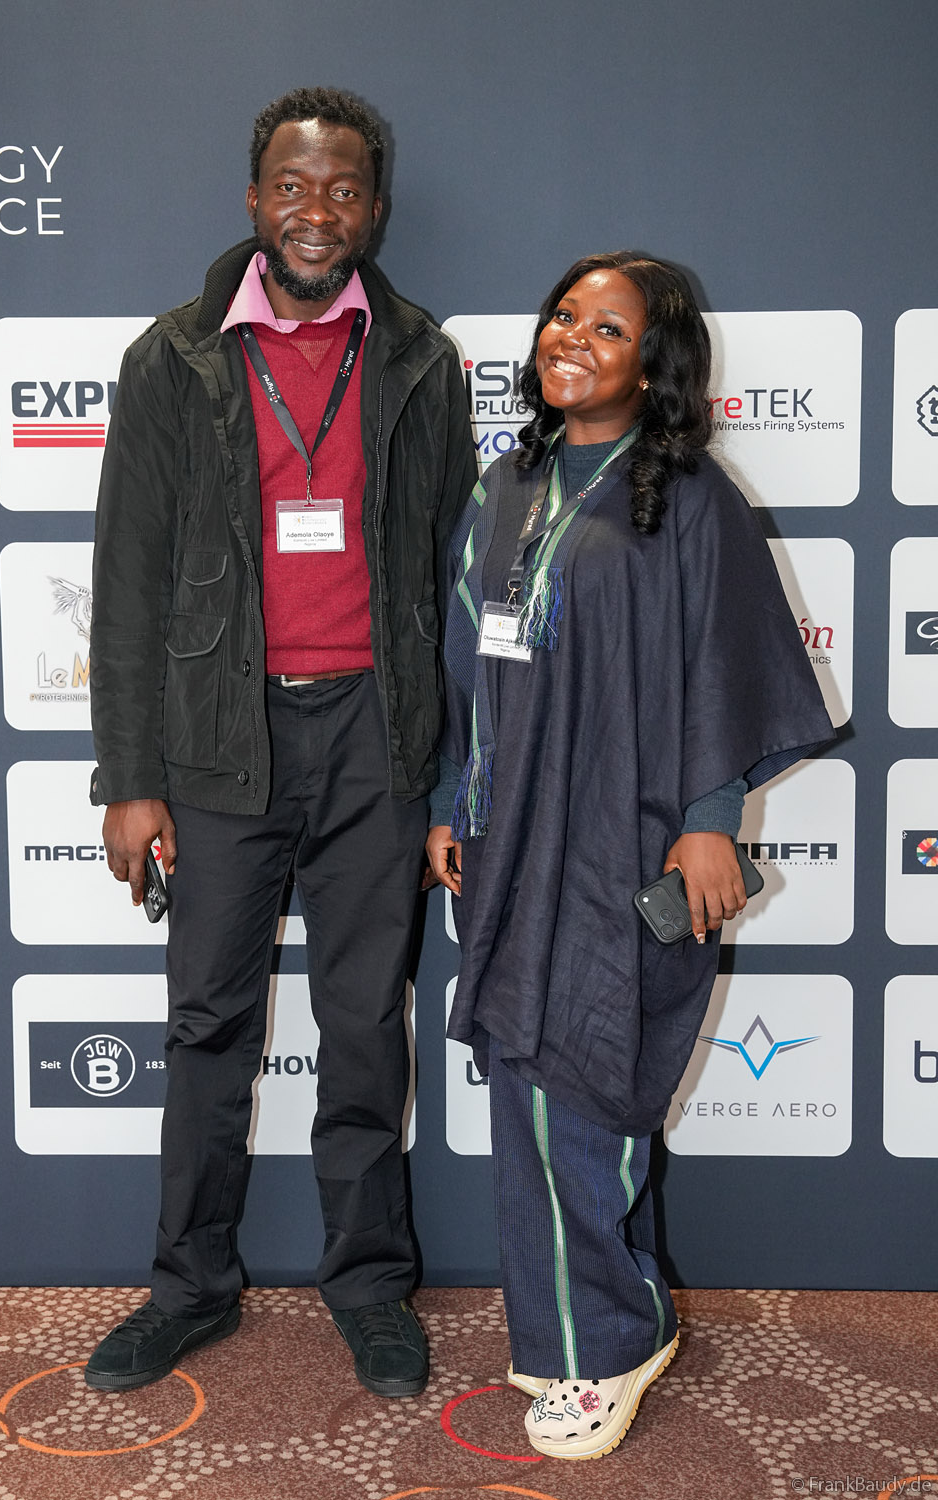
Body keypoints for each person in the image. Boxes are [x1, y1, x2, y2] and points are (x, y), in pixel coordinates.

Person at [85, 86, 476, 1399]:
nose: (319, 211)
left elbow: (448, 574)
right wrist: (130, 777)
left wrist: (449, 774)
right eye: (294, 187)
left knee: (365, 1022)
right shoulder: (174, 358)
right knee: (209, 1025)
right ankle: (189, 1285)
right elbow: (128, 581)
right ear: (255, 200)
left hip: (375, 734)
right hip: (219, 737)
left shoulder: (419, 358)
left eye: (343, 189)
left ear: (375, 209)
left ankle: (368, 1285)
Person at [427, 253, 834, 1458]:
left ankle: (596, 1350)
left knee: (585, 1081)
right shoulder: (508, 481)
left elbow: (727, 664)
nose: (573, 339)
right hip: (506, 838)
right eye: (564, 317)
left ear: (653, 364)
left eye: (607, 329)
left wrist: (711, 816)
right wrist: (450, 799)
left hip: (626, 839)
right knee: (533, 1086)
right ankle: (615, 1314)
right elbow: (463, 660)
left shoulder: (690, 497)